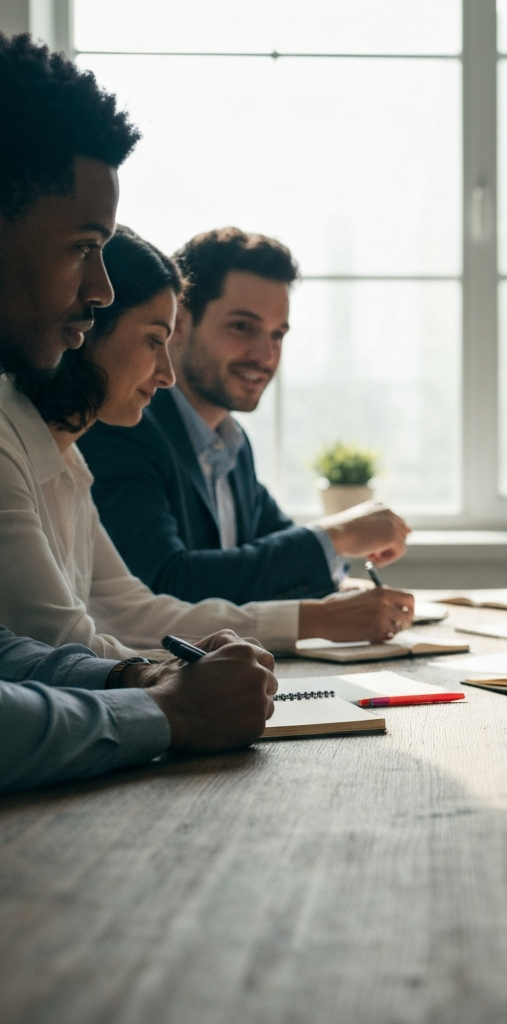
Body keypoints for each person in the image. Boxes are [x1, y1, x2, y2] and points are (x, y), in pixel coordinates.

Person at [0, 32, 276, 791]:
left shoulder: (69, 456)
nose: (97, 290)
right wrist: (166, 710)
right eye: (82, 247)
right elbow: (73, 624)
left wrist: (136, 677)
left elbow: (12, 651)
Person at [0, 225, 416, 659]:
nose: (266, 355)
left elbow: (135, 612)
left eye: (278, 335)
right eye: (153, 340)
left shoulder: (80, 461)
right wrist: (336, 544)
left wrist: (325, 607)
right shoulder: (107, 432)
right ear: (87, 328)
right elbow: (66, 640)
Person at [78, 226, 410, 606]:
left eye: (277, 335)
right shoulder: (124, 428)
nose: (265, 355)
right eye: (242, 327)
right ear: (179, 322)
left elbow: (271, 552)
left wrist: (339, 577)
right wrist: (336, 536)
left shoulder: (231, 442)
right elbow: (162, 582)